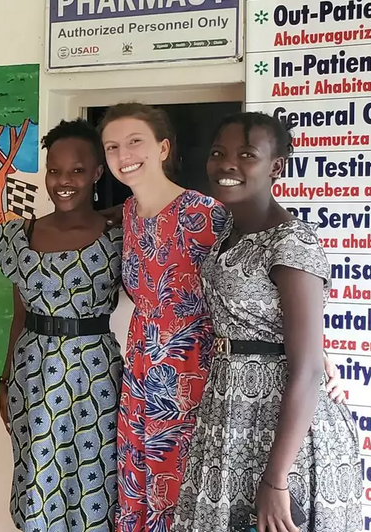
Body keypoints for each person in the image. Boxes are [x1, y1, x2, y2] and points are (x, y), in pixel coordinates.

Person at [172, 113, 362, 532]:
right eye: (219, 153)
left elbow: (308, 368)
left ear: (276, 166)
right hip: (228, 412)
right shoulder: (229, 234)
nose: (227, 164)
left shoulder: (291, 242)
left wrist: (277, 479)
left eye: (246, 155)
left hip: (282, 430)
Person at [99, 103, 230, 532]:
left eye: (135, 141)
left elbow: (256, 287)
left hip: (192, 372)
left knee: (180, 487)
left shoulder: (206, 214)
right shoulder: (129, 217)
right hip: (140, 370)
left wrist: (316, 354)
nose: (124, 154)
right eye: (112, 146)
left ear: (163, 147)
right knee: (138, 482)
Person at [0, 119, 123, 532]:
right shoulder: (21, 233)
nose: (63, 181)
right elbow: (19, 316)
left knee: (93, 475)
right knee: (36, 470)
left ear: (98, 173)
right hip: (33, 375)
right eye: (54, 171)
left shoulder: (120, 232)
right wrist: (5, 377)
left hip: (95, 375)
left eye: (77, 171)